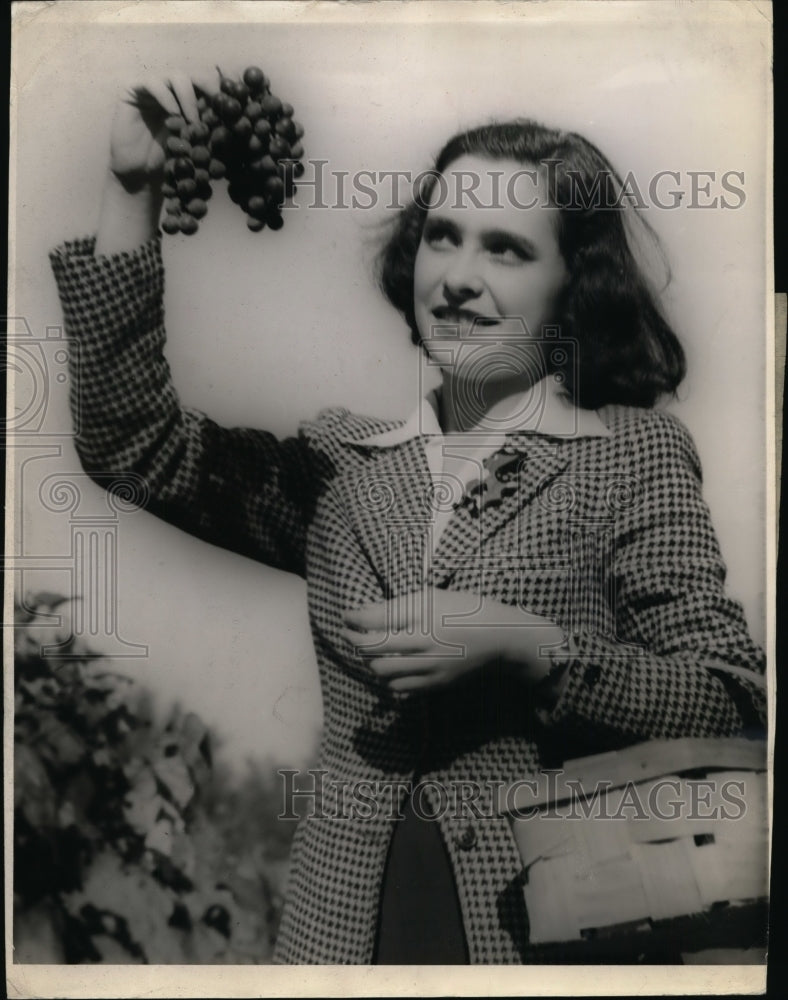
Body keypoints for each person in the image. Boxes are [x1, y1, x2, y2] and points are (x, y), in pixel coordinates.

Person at [50, 70, 766, 965]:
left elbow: (730, 696)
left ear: (573, 284)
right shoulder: (343, 467)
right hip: (340, 939)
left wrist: (527, 647)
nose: (459, 278)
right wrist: (131, 190)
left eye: (506, 249)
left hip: (540, 943)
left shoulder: (629, 455)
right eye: (443, 237)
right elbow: (135, 447)